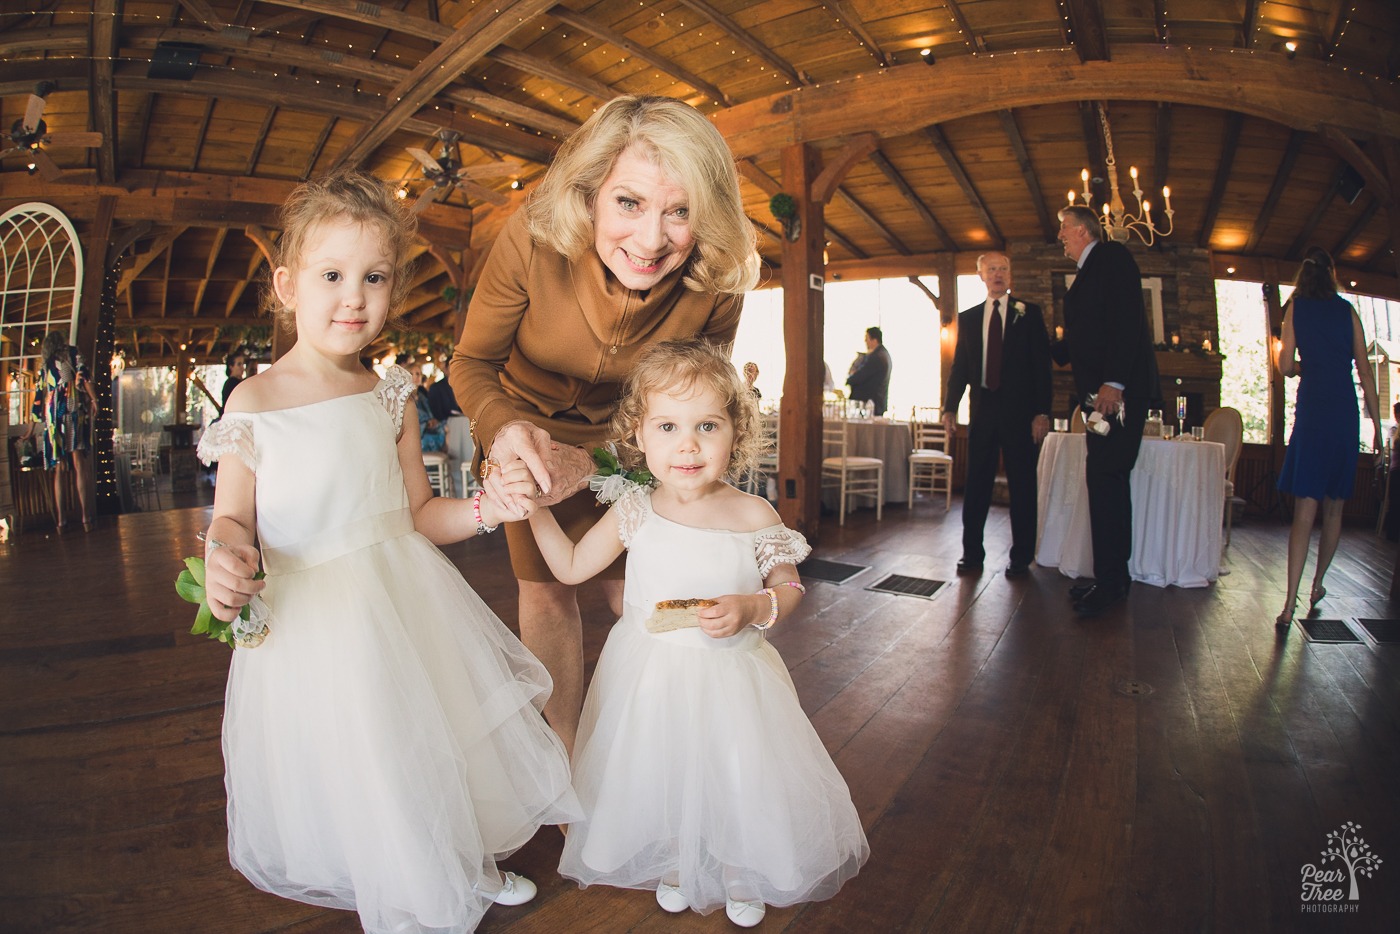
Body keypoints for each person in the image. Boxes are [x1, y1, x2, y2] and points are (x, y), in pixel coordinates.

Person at [196, 171, 578, 934]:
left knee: (430, 739)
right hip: (313, 617)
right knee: (364, 753)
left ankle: (460, 859)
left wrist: (482, 508)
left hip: (400, 598)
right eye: (332, 275)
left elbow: (416, 515)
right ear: (287, 284)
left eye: (373, 278)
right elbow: (232, 518)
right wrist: (224, 557)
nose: (353, 297)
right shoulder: (255, 403)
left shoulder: (391, 395)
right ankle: (406, 882)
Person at [449, 94, 759, 755]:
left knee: (635, 592)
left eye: (680, 212)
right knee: (548, 593)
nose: (650, 241)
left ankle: (657, 749)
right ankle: (564, 755)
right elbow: (472, 363)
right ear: (591, 192)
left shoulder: (719, 280)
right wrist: (504, 432)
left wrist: (601, 463)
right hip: (523, 424)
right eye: (629, 203)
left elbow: (687, 412)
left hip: (633, 437)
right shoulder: (531, 234)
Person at [524, 340, 869, 927]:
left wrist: (755, 605)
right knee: (660, 763)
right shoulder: (635, 508)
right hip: (649, 672)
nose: (688, 443)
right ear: (639, 434)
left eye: (707, 425)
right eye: (667, 425)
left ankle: (741, 866)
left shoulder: (754, 514)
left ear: (736, 432)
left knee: (735, 769)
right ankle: (677, 862)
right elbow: (572, 568)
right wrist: (532, 509)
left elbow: (788, 587)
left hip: (731, 673)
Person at [1052, 205, 1157, 616]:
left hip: (1116, 397)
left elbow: (1127, 319)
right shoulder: (1085, 276)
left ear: (1082, 230)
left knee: (1107, 479)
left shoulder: (1112, 257)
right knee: (1104, 482)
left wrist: (1114, 382)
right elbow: (1081, 340)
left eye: (1063, 228)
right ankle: (1112, 576)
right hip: (1100, 398)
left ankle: (1113, 583)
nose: (1059, 235)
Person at [1274, 247, 1382, 628]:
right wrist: (1379, 436)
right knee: (1335, 508)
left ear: (1303, 275)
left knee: (1305, 510)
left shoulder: (1296, 309)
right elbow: (1366, 374)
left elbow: (1286, 366)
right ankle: (1318, 583)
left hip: (1313, 412)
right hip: (1343, 414)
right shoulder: (1347, 312)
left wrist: (1302, 365)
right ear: (1332, 273)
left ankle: (1288, 604)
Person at [943, 252, 1052, 578]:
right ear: (981, 276)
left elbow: (1042, 368)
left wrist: (1041, 412)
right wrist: (950, 406)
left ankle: (1021, 558)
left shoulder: (1029, 314)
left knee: (1022, 487)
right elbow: (960, 367)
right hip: (983, 414)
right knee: (976, 487)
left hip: (1021, 416)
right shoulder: (970, 317)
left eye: (1003, 268)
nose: (998, 273)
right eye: (991, 269)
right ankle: (971, 555)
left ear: (1010, 275)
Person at [23, 331, 98, 532]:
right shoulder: (72, 354)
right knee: (79, 463)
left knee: (59, 469)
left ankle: (61, 521)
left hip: (53, 419)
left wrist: (31, 429)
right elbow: (83, 376)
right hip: (72, 411)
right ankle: (85, 517)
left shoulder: (46, 366)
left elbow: (38, 397)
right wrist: (94, 399)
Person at [846, 326, 892, 415]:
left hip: (870, 404)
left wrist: (850, 378)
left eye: (867, 339)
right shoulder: (883, 354)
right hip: (876, 402)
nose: (865, 342)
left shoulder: (876, 357)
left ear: (874, 340)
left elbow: (861, 376)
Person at [221, 347, 248, 411]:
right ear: (231, 367)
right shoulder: (231, 383)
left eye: (243, 364)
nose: (242, 368)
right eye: (239, 364)